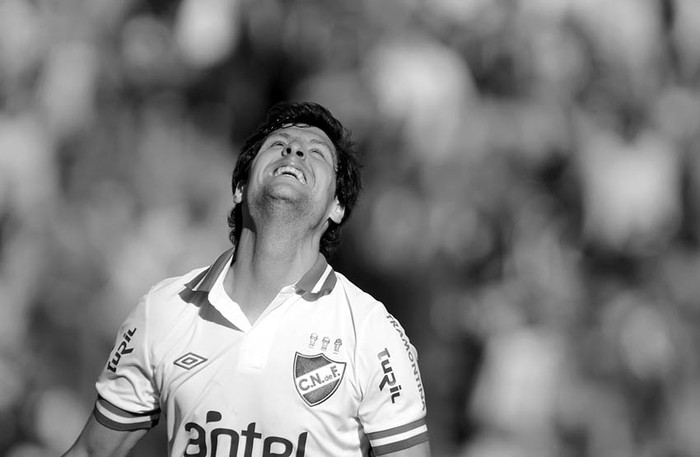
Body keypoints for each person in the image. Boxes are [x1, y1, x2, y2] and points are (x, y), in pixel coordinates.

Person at [61, 101, 430, 457]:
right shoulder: (164, 309)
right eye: (279, 145)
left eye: (316, 152)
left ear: (337, 207)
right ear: (239, 187)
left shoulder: (370, 330)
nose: (295, 152)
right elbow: (91, 451)